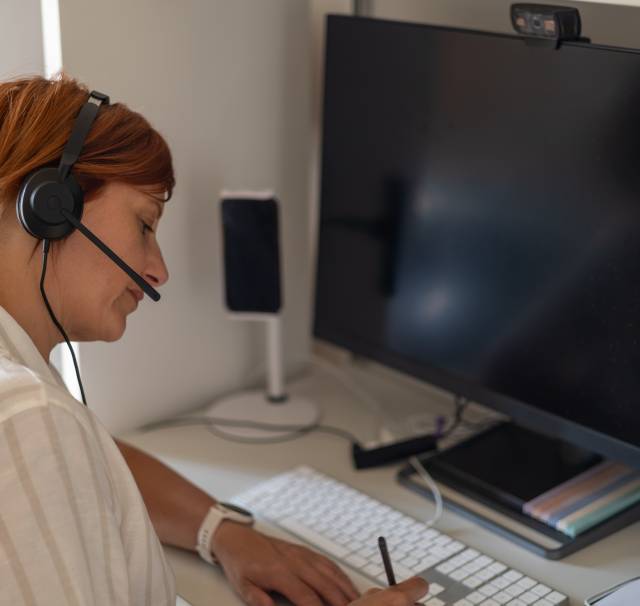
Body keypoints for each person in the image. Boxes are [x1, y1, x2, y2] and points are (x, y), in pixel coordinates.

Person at [0, 74, 429, 606]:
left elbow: (89, 459)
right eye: (144, 224)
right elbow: (37, 438)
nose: (158, 270)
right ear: (49, 208)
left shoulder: (31, 414)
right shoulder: (25, 417)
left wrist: (223, 533)